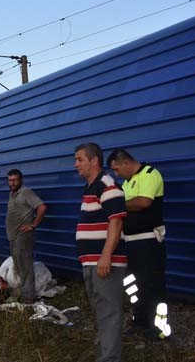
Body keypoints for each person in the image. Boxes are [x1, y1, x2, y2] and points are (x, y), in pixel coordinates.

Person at [107, 148, 170, 340]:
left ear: (126, 163)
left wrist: (117, 204)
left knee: (153, 285)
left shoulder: (150, 174)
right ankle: (139, 320)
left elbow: (143, 202)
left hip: (148, 241)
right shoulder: (127, 183)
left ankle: (158, 329)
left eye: (117, 169)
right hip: (130, 242)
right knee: (133, 284)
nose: (116, 174)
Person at [74, 143, 127, 362]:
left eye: (79, 159)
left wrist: (105, 256)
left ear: (94, 160)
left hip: (105, 262)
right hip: (92, 262)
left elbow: (116, 223)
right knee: (101, 310)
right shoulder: (91, 187)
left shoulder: (107, 185)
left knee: (109, 312)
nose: (76, 164)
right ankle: (106, 353)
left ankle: (109, 358)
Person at [5, 169, 47, 303]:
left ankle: (28, 297)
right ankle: (21, 291)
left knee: (25, 265)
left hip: (23, 235)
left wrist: (33, 225)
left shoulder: (26, 192)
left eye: (15, 180)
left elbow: (42, 207)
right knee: (18, 265)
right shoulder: (12, 194)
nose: (12, 183)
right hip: (13, 236)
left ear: (21, 180)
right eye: (10, 180)